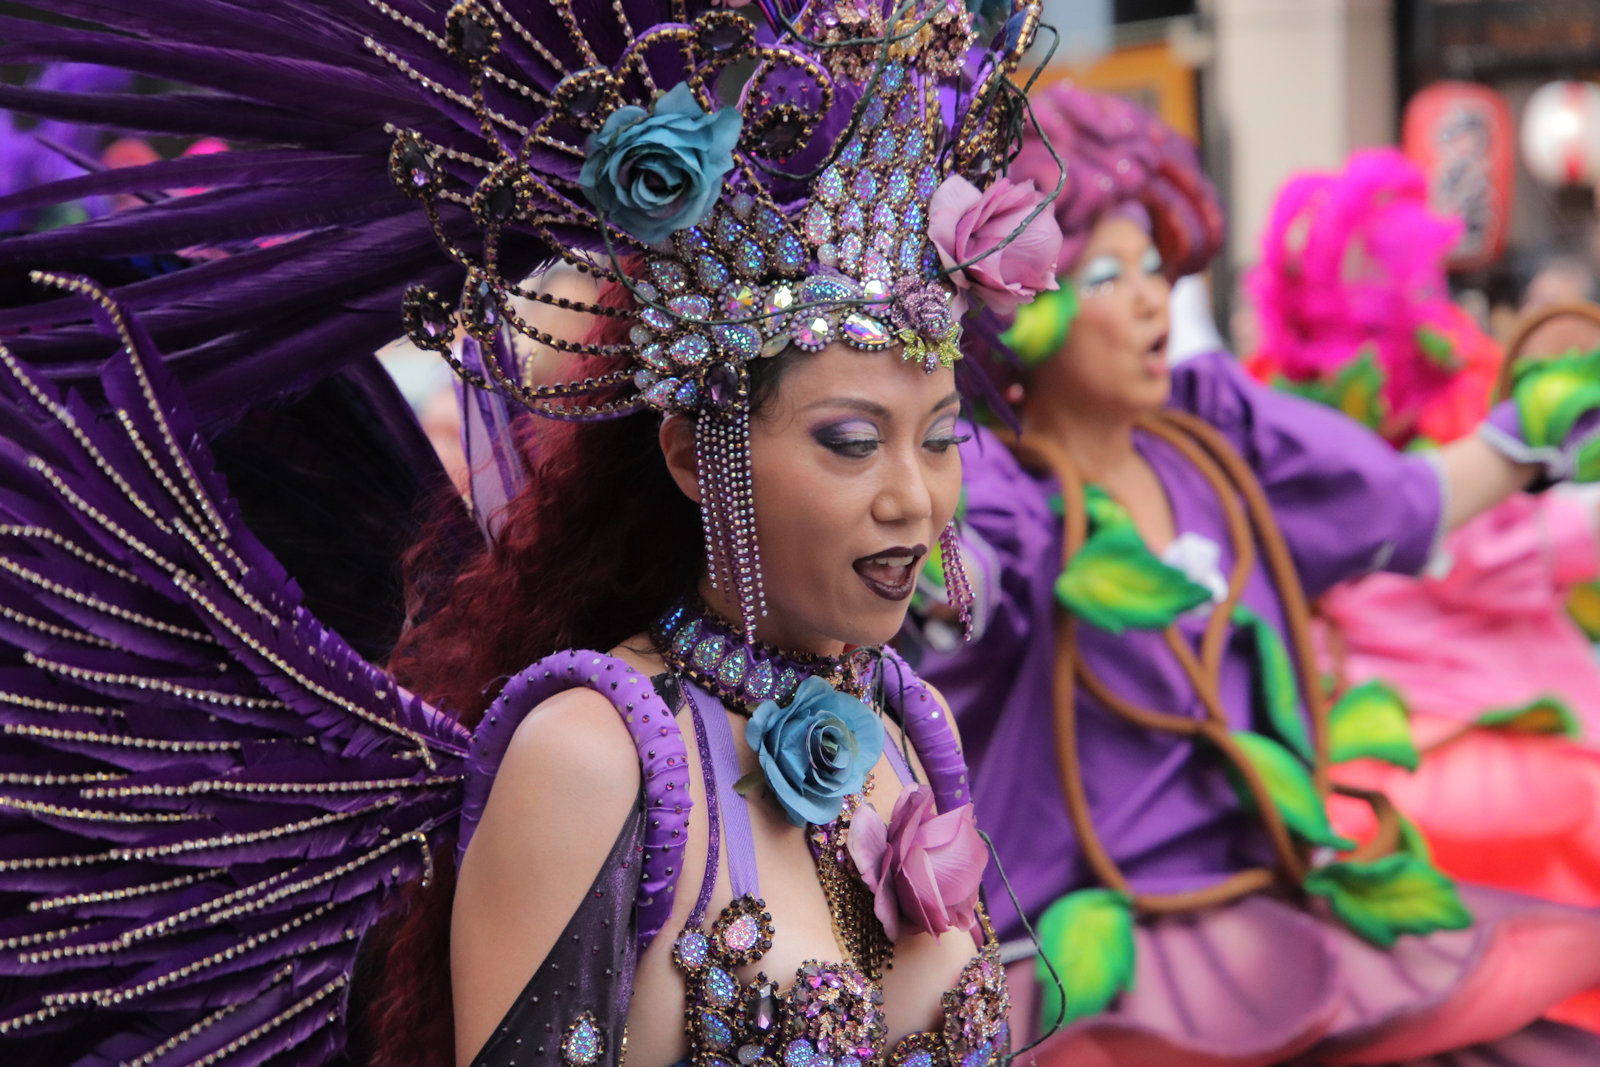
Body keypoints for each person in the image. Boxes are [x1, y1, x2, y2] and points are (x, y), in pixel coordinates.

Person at [0, 2, 1061, 1065]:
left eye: (939, 438)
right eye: (851, 441)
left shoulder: (912, 722)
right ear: (694, 457)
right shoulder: (597, 755)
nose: (915, 498)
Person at [913, 83, 1600, 1064]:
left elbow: (1398, 501)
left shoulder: (1214, 436)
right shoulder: (996, 493)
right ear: (1018, 306)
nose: (1149, 298)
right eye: (1106, 275)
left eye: (1156, 266)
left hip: (1268, 911)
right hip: (1094, 953)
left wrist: (1527, 430)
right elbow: (941, 587)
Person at [1245, 152, 1600, 958]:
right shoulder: (1345, 441)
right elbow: (1485, 553)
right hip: (1444, 735)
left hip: (1374, 733)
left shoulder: (1288, 422)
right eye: (1412, 286)